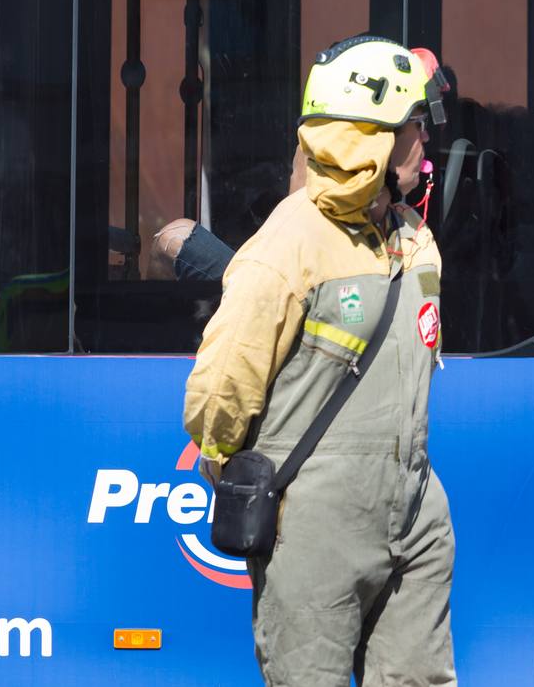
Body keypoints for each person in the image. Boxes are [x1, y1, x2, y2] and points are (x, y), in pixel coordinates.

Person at [183, 35, 456, 686]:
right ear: (375, 138)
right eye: (415, 126)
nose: (425, 141)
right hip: (311, 519)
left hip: (414, 506)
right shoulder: (289, 242)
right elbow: (222, 385)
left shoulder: (414, 241)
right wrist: (229, 466)